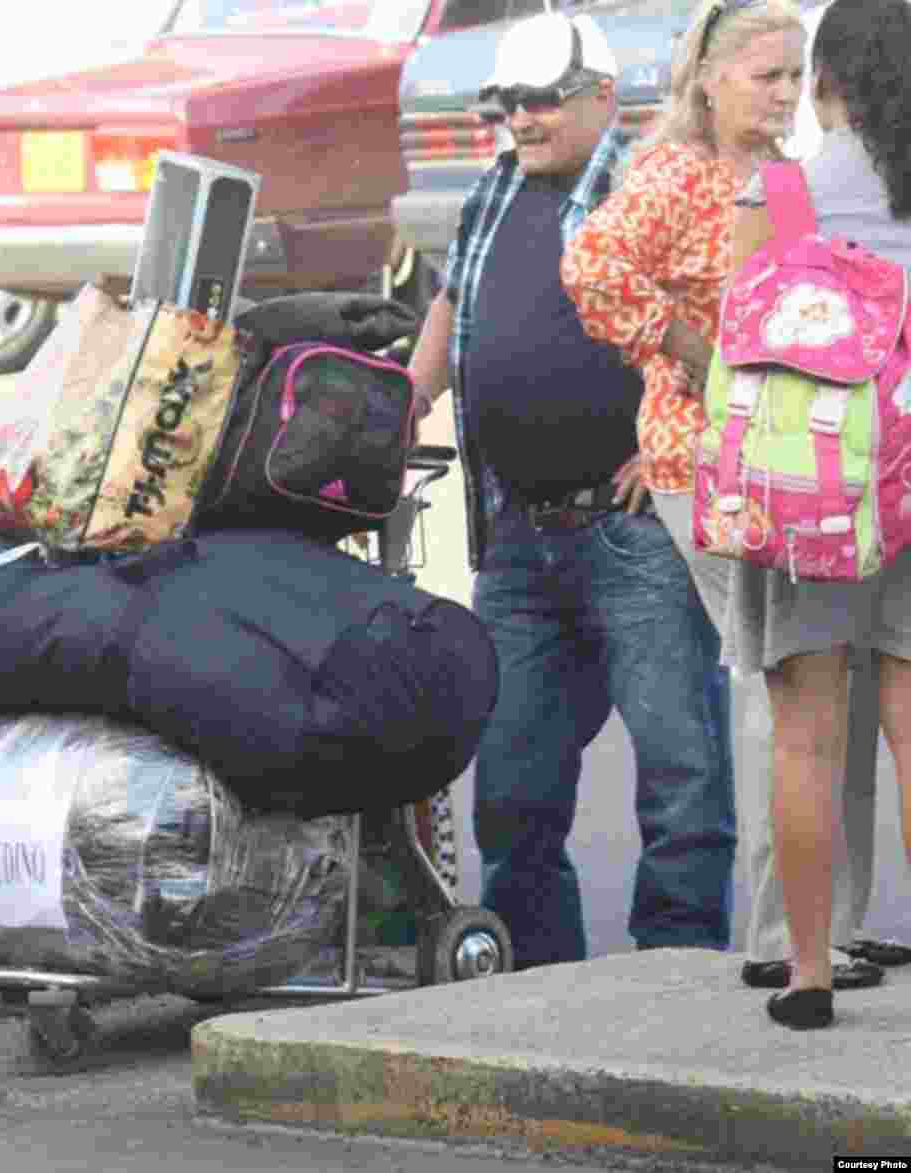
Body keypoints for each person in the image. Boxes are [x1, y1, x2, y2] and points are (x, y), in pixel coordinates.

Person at [560, 0, 887, 995]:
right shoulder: (673, 174)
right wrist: (692, 354)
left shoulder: (781, 173)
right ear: (707, 78)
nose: (785, 95)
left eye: (795, 76)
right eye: (765, 77)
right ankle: (779, 937)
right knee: (781, 687)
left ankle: (836, 925)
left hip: (797, 463)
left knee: (838, 683)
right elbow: (591, 266)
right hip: (708, 464)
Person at [407, 10, 736, 971]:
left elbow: (722, 324)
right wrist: (404, 402)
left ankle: (675, 972)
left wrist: (672, 441)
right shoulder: (495, 190)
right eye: (511, 102)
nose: (526, 119)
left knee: (681, 775)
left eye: (546, 100)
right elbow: (451, 302)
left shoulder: (653, 189)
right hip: (519, 537)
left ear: (604, 97)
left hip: (633, 534)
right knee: (511, 787)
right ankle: (539, 989)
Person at [720, 0, 911, 1028]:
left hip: (810, 498)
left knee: (803, 738)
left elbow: (736, 339)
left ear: (825, 77)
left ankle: (806, 975)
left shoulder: (782, 191)